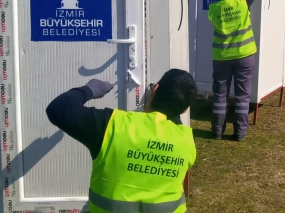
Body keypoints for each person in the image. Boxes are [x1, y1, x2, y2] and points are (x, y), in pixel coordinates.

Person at [45, 69, 198, 213]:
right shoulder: (186, 141)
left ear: (155, 89)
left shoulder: (112, 125)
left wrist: (89, 90)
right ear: (184, 110)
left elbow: (59, 108)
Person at [208, 0, 260, 141]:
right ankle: (240, 132)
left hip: (222, 57)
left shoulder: (214, 9)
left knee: (220, 95)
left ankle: (217, 131)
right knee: (242, 95)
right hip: (244, 56)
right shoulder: (242, 1)